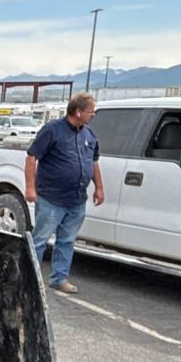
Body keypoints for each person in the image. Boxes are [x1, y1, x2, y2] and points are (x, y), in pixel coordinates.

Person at [24, 92, 104, 293]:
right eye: (90, 112)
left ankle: (59, 278)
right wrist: (30, 187)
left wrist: (99, 188)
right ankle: (28, 279)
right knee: (40, 240)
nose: (92, 115)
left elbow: (93, 162)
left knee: (67, 241)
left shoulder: (89, 135)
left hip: (76, 200)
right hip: (51, 198)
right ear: (78, 112)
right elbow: (31, 158)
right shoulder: (52, 131)